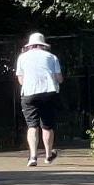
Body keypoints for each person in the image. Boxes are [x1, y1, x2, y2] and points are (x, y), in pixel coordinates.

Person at [16, 32, 63, 167]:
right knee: (47, 126)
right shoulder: (52, 57)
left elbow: (20, 80)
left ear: (30, 45)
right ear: (43, 45)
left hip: (29, 94)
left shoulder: (22, 57)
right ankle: (48, 155)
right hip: (48, 93)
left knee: (32, 126)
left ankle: (33, 157)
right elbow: (59, 78)